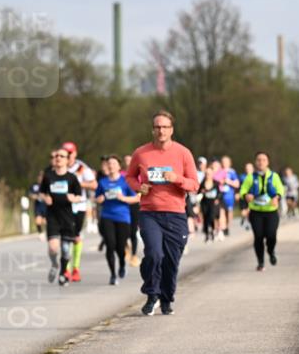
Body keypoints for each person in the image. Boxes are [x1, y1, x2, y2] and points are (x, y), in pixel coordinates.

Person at [125, 110, 199, 316]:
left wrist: (177, 178)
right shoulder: (141, 153)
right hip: (150, 213)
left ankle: (166, 299)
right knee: (154, 254)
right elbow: (130, 177)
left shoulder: (183, 153)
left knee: (171, 261)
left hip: (175, 214)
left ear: (171, 130)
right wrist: (139, 187)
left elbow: (194, 184)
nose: (161, 130)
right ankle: (152, 294)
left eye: (165, 127)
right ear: (152, 130)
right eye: (157, 127)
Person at [39, 148, 82, 287]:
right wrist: (45, 198)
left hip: (67, 217)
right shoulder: (48, 176)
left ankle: (64, 273)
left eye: (61, 156)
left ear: (67, 160)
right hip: (52, 216)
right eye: (56, 155)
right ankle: (54, 264)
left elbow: (79, 196)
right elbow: (41, 193)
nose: (58, 158)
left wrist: (73, 198)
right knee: (53, 248)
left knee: (65, 250)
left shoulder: (72, 177)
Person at [95, 154, 139, 285]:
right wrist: (100, 199)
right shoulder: (103, 182)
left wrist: (123, 198)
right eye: (109, 164)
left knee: (120, 246)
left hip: (123, 217)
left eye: (114, 163)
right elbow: (97, 198)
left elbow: (136, 198)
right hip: (107, 216)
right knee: (110, 245)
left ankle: (122, 264)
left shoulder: (125, 181)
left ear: (119, 166)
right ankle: (113, 275)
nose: (111, 165)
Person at [239, 152, 285, 271]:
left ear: (267, 162)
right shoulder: (250, 177)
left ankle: (271, 251)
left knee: (271, 236)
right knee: (258, 237)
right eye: (259, 160)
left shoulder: (274, 176)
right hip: (256, 213)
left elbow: (280, 189)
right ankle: (261, 262)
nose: (261, 162)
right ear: (256, 162)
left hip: (271, 212)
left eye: (264, 160)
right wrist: (246, 196)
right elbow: (242, 190)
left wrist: (277, 197)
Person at [62, 141, 97, 282]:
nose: (67, 156)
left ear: (75, 153)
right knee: (65, 237)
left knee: (75, 237)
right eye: (65, 153)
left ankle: (75, 268)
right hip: (63, 206)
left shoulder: (82, 168)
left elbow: (94, 184)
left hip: (79, 206)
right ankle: (65, 269)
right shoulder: (59, 166)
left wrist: (77, 183)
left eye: (70, 153)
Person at [218, 156, 240, 237]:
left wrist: (228, 182)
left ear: (230, 163)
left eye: (226, 162)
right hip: (220, 195)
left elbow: (237, 184)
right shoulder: (219, 171)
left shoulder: (232, 172)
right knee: (222, 211)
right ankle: (223, 228)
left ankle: (227, 227)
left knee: (229, 212)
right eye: (223, 161)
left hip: (229, 196)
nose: (224, 163)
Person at [199, 165, 221, 241]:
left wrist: (217, 199)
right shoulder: (202, 183)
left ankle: (213, 230)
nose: (208, 175)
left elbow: (219, 193)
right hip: (205, 202)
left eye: (209, 173)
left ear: (212, 174)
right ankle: (206, 233)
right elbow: (198, 192)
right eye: (206, 173)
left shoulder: (216, 183)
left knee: (212, 217)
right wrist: (201, 191)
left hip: (213, 202)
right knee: (205, 217)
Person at [238, 161, 255, 230]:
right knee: (243, 212)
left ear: (252, 169)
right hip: (243, 196)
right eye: (247, 168)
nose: (248, 170)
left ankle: (248, 224)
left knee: (249, 211)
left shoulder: (255, 177)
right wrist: (237, 193)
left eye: (249, 168)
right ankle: (243, 218)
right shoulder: (242, 177)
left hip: (252, 197)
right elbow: (238, 186)